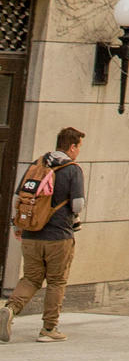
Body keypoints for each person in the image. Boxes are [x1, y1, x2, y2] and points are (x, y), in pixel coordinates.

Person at [0, 127, 86, 342]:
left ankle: (10, 309)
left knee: (31, 278)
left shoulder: (36, 165)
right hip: (59, 237)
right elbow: (77, 205)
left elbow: (17, 198)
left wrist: (19, 225)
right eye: (78, 148)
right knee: (56, 282)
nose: (78, 152)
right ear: (72, 146)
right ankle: (49, 329)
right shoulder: (72, 169)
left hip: (31, 234)